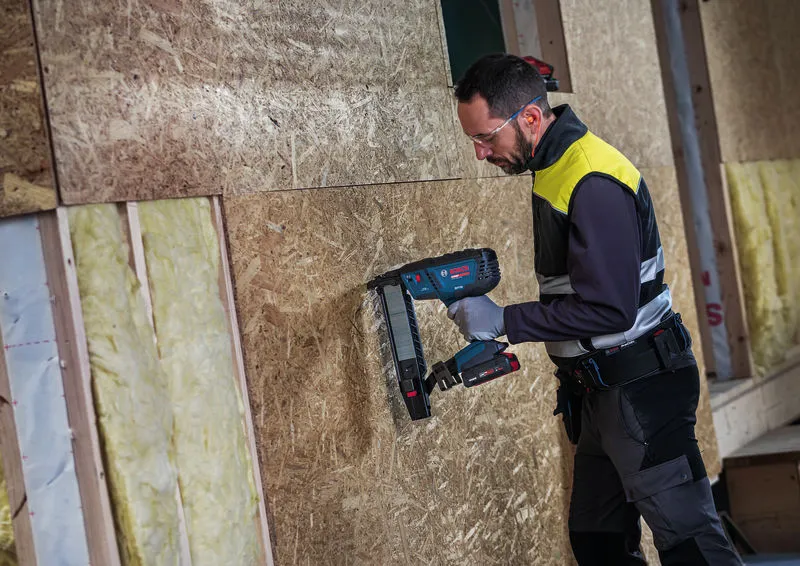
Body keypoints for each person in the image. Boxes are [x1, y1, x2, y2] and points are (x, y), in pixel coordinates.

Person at [447, 53, 743, 566]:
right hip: (600, 392)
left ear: (532, 119)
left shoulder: (591, 178)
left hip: (640, 389)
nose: (480, 152)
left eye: (486, 137)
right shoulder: (553, 167)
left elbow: (611, 310)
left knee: (691, 544)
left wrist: (505, 321)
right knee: (598, 544)